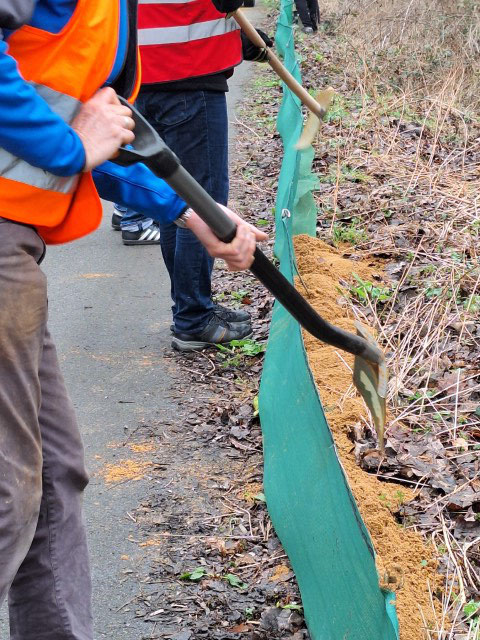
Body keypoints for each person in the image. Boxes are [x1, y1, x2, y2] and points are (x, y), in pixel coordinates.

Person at [0, 1, 267, 638]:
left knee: (51, 477)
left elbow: (94, 128)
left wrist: (191, 212)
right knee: (10, 493)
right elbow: (74, 137)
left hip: (17, 247)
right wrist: (67, 148)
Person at [112, 0, 273, 351]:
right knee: (203, 201)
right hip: (188, 71)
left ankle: (192, 307)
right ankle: (193, 317)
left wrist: (236, 39)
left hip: (141, 75)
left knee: (176, 202)